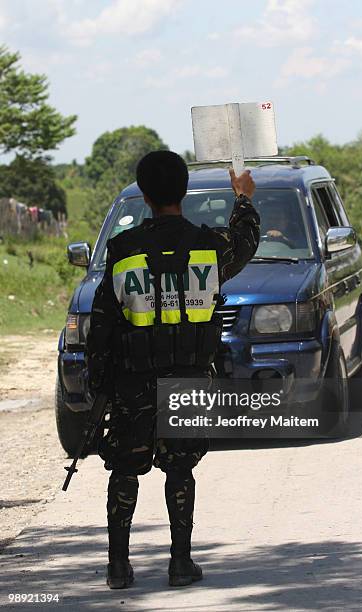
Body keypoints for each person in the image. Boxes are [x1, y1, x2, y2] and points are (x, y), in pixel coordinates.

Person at [85, 151, 259, 590]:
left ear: (144, 195)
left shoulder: (122, 252)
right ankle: (181, 563)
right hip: (189, 380)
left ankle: (118, 568)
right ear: (183, 192)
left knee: (125, 469)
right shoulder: (209, 247)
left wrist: (99, 383)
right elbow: (246, 241)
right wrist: (242, 197)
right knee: (180, 469)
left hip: (133, 382)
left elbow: (102, 323)